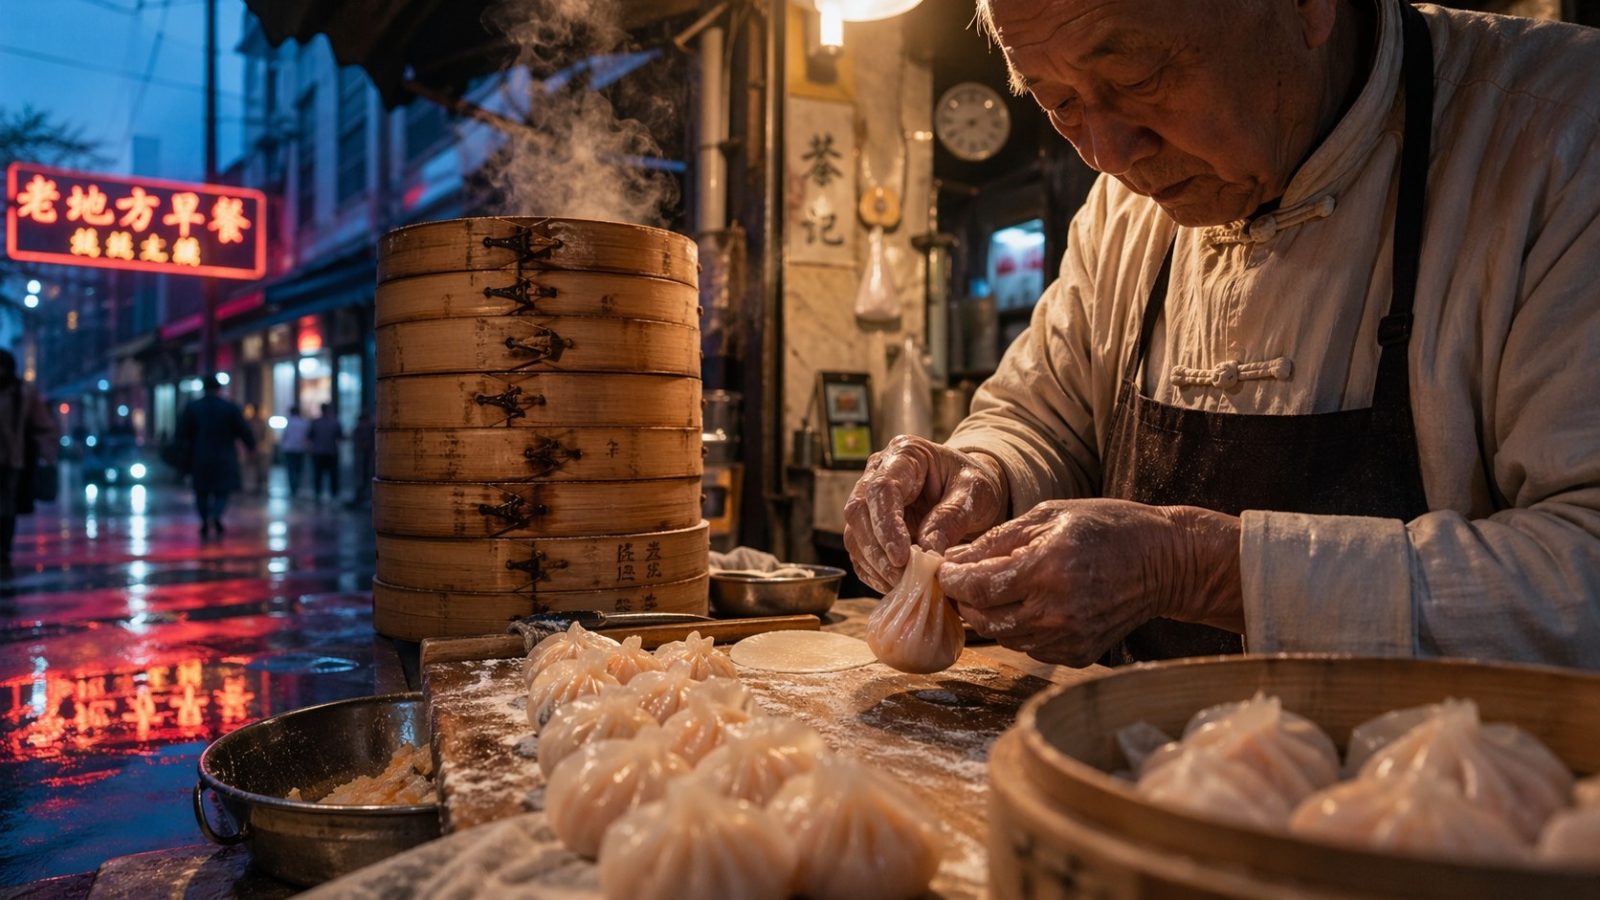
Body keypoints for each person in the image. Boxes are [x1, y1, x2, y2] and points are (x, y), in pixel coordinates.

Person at [845, 0, 1600, 669]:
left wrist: (1195, 568)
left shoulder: (1563, 135)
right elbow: (1039, 419)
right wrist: (984, 476)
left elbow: (1583, 579)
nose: (1108, 154)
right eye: (1059, 103)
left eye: (1138, 76)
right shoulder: (1125, 203)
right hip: (1133, 782)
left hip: (1449, 808)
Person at [0, 349, 57, 578]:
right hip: (13, 458)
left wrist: (47, 455)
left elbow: (42, 426)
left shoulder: (23, 393)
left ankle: (3, 550)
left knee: (7, 508)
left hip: (13, 460)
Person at [177, 375, 255, 538]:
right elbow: (243, 430)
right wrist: (251, 446)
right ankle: (216, 514)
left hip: (200, 456)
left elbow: (181, 433)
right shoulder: (229, 407)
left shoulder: (193, 407)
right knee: (222, 490)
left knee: (201, 492)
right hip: (224, 455)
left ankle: (205, 519)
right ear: (219, 389)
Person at [308, 403, 342, 503]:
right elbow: (340, 436)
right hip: (331, 452)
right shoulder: (335, 422)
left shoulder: (315, 422)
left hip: (318, 452)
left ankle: (318, 494)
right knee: (333, 475)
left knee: (318, 474)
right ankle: (333, 495)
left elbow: (310, 436)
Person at [346, 409, 374, 508]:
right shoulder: (360, 429)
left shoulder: (368, 429)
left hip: (368, 458)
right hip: (362, 458)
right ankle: (362, 497)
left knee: (365, 477)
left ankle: (365, 497)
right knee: (361, 477)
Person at [280, 406, 311, 497]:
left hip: (289, 449)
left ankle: (293, 487)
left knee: (290, 469)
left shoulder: (288, 423)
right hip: (300, 449)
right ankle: (296, 486)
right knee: (298, 469)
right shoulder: (303, 423)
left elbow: (284, 436)